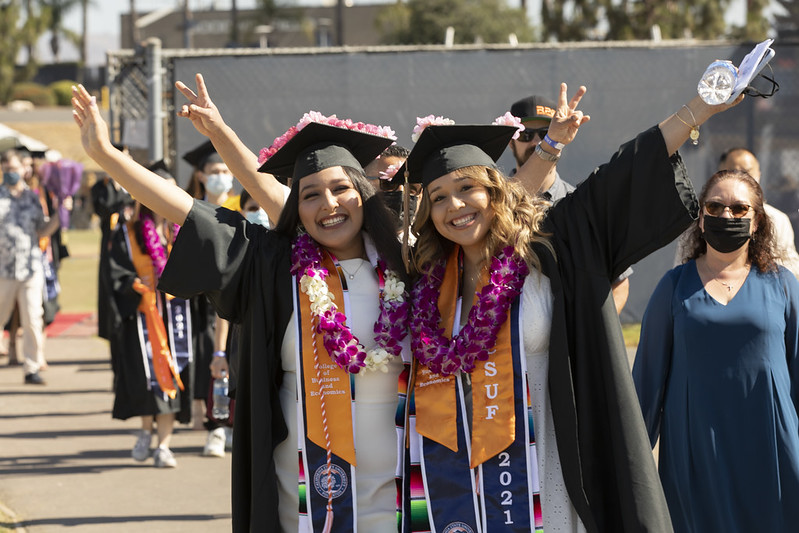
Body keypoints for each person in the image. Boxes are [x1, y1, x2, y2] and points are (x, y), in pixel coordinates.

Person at [396, 83, 741, 531]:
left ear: (495, 193)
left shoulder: (548, 251)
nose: (454, 206)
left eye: (466, 188)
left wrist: (699, 108)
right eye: (438, 197)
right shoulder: (426, 285)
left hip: (549, 468)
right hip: (457, 484)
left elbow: (622, 174)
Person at [73, 83, 409, 531]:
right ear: (297, 209)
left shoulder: (410, 266)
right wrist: (108, 156)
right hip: (303, 488)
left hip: (401, 486)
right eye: (309, 194)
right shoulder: (275, 266)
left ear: (364, 193)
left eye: (341, 188)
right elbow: (188, 211)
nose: (328, 204)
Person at [633, 169, 799, 532]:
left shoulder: (784, 286)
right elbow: (646, 384)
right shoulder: (674, 286)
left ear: (757, 222)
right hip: (697, 450)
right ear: (702, 217)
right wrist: (630, 468)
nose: (727, 216)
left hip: (770, 446)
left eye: (740, 209)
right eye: (716, 206)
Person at [508, 93, 632, 313]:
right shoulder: (493, 204)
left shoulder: (581, 205)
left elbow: (619, 283)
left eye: (546, 134)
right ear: (511, 142)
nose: (537, 142)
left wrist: (592, 333)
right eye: (525, 135)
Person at [107, 197, 192, 468]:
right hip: (142, 316)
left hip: (175, 315)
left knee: (172, 374)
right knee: (147, 379)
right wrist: (135, 287)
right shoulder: (128, 232)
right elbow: (116, 272)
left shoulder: (179, 229)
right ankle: (146, 431)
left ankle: (164, 446)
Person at [674, 147, 799, 278]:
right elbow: (681, 266)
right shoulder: (701, 218)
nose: (739, 178)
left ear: (757, 220)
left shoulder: (777, 220)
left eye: (740, 209)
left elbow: (792, 269)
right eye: (732, 171)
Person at [0, 149, 61, 384]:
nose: (10, 174)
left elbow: (42, 230)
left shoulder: (32, 198)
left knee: (33, 318)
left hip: (30, 268)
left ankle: (32, 367)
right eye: (6, 170)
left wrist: (60, 215)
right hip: (3, 269)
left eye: (13, 169)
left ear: (23, 170)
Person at [91, 144, 134, 341]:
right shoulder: (101, 187)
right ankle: (113, 332)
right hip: (110, 245)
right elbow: (104, 209)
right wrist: (114, 181)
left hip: (133, 246)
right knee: (109, 287)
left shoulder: (135, 185)